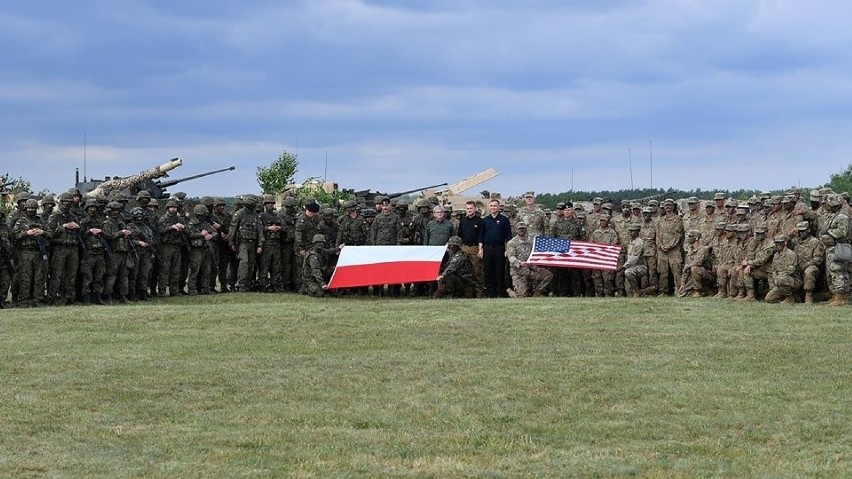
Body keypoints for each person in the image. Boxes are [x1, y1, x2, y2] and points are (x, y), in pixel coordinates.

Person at [12, 199, 47, 308]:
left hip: (38, 252)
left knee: (39, 277)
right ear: (26, 209)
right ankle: (24, 300)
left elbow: (50, 233)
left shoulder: (41, 221)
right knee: (25, 277)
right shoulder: (21, 221)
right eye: (29, 208)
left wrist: (42, 232)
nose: (31, 210)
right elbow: (14, 236)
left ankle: (38, 299)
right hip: (25, 252)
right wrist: (27, 233)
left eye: (33, 208)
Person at [505, 222, 552, 298]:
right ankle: (511, 293)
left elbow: (537, 253)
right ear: (516, 230)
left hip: (531, 269)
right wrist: (519, 262)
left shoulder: (531, 241)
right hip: (518, 271)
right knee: (522, 296)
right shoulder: (511, 243)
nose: (522, 230)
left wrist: (535, 263)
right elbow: (511, 257)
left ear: (526, 230)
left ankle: (537, 292)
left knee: (548, 275)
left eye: (523, 229)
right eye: (520, 229)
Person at [228, 194, 264, 292]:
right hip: (242, 243)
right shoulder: (239, 214)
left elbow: (260, 231)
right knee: (244, 263)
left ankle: (247, 284)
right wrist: (231, 243)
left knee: (251, 264)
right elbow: (232, 229)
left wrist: (260, 245)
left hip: (253, 243)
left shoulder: (255, 215)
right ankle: (242, 285)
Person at [478, 199, 512, 298]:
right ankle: (489, 293)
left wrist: (507, 250)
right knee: (488, 271)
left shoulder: (504, 220)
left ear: (498, 207)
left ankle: (500, 293)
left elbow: (508, 237)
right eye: (491, 206)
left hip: (500, 249)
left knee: (499, 271)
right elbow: (481, 236)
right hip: (487, 248)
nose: (493, 207)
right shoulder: (485, 220)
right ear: (489, 207)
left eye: (495, 206)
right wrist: (480, 250)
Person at [792, 220, 824, 304]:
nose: (802, 233)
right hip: (797, 267)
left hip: (811, 266)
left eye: (804, 231)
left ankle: (808, 295)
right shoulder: (795, 241)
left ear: (808, 230)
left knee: (809, 271)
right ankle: (790, 295)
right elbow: (784, 243)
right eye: (800, 231)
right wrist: (790, 234)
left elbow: (818, 260)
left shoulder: (815, 242)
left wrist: (805, 265)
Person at [764, 234, 801, 304]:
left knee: (781, 279)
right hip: (780, 281)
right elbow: (774, 270)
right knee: (768, 299)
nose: (777, 245)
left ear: (785, 243)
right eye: (776, 243)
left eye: (779, 243)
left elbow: (790, 271)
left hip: (793, 280)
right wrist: (775, 279)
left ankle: (789, 298)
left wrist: (777, 279)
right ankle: (793, 297)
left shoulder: (791, 254)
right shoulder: (776, 255)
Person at [619, 223, 646, 297]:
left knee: (628, 272)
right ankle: (634, 294)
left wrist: (623, 267)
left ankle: (637, 291)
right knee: (627, 284)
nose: (631, 233)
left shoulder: (639, 242)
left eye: (633, 231)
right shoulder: (631, 242)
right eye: (630, 231)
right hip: (632, 267)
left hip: (641, 267)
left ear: (638, 231)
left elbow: (634, 258)